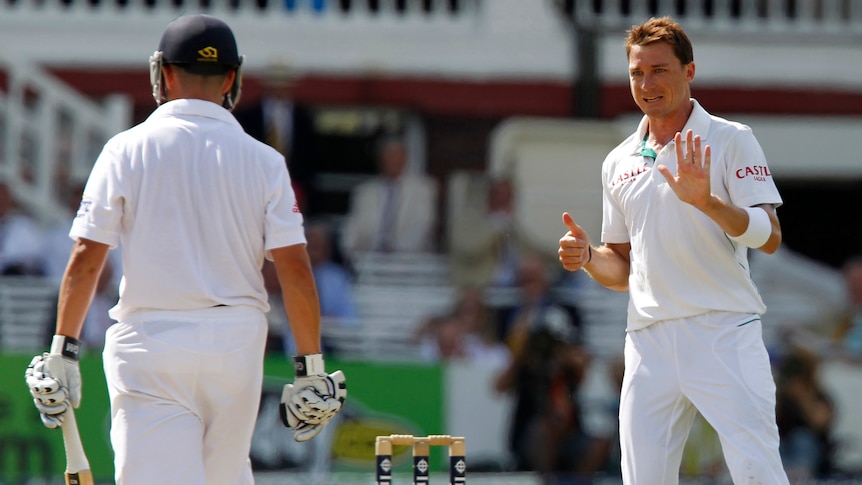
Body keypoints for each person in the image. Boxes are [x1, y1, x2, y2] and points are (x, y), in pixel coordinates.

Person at [24, 14, 345, 485]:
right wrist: (310, 368)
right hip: (236, 344)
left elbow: (87, 257)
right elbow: (295, 269)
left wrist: (63, 349)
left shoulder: (125, 149)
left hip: (152, 343)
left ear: (165, 74)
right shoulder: (265, 161)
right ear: (231, 78)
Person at [557, 17, 789, 484]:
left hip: (723, 328)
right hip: (648, 339)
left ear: (689, 72)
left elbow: (770, 235)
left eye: (660, 70)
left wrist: (708, 202)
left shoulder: (730, 138)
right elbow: (621, 268)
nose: (647, 84)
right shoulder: (618, 160)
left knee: (757, 472)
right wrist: (586, 258)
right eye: (637, 73)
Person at [233, 62, 321, 215]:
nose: (280, 88)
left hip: (293, 187)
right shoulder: (247, 116)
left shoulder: (303, 117)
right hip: (255, 187)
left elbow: (310, 156)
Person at [340, 135, 438, 260]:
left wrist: (396, 252)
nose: (392, 161)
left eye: (396, 156)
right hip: (369, 260)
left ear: (405, 158)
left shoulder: (423, 190)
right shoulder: (365, 192)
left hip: (410, 261)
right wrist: (351, 252)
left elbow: (423, 223)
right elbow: (352, 228)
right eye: (388, 156)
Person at [449, 176, 549, 289]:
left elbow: (531, 247)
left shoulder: (510, 225)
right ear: (490, 196)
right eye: (500, 195)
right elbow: (469, 250)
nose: (504, 201)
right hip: (477, 285)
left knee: (534, 269)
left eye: (509, 197)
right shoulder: (469, 219)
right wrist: (495, 228)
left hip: (513, 284)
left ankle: (534, 307)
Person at [774, 346, 835, 481]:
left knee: (801, 438)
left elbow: (819, 423)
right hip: (782, 445)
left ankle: (797, 475)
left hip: (809, 448)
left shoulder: (819, 397)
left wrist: (803, 396)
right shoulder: (781, 397)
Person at [0, 181, 46, 276]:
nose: (1, 201)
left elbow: (35, 255)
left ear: (11, 200)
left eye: (4, 197)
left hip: (16, 284)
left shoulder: (24, 226)